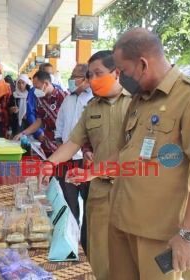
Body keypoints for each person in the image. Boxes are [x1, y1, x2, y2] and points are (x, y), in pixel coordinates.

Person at [69, 28, 190, 280]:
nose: (120, 79)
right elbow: (123, 151)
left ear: (143, 64)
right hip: (121, 222)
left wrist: (188, 235)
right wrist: (91, 173)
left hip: (158, 234)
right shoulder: (139, 99)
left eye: (123, 72)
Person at [38, 50, 132, 280]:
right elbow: (73, 142)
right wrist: (50, 163)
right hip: (99, 190)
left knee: (128, 258)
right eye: (90, 75)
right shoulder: (91, 107)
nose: (93, 80)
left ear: (116, 72)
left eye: (98, 73)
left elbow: (131, 150)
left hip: (131, 190)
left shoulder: (136, 103)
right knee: (97, 254)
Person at [54, 63, 94, 253]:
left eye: (74, 76)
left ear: (85, 78)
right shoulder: (68, 99)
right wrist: (61, 148)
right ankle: (72, 239)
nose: (71, 79)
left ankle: (86, 242)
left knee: (88, 202)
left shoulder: (94, 99)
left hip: (87, 161)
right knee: (69, 201)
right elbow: (60, 123)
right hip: (66, 159)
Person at [14, 70, 68, 158]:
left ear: (46, 84)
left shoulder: (64, 97)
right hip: (47, 146)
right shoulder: (39, 100)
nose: (35, 90)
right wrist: (23, 133)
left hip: (62, 146)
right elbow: (39, 121)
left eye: (37, 87)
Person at [26, 63, 62, 142]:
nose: (50, 75)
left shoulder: (62, 95)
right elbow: (33, 115)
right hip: (43, 137)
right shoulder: (37, 95)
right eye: (48, 73)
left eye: (51, 73)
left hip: (60, 139)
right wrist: (38, 132)